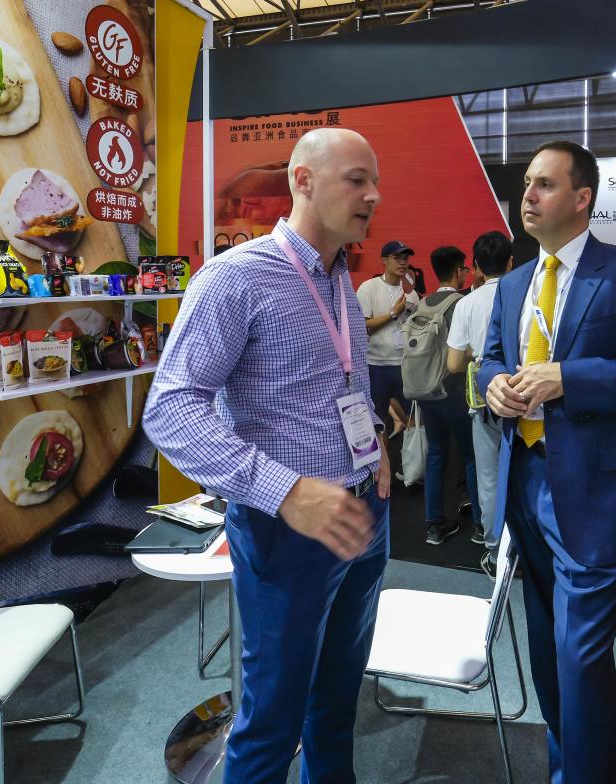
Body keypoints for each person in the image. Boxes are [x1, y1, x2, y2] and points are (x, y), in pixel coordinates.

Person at [143, 127, 392, 783]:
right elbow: (171, 408)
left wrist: (374, 444)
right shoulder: (235, 279)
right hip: (288, 533)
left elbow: (339, 382)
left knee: (336, 706)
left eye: (375, 180)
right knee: (271, 725)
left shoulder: (340, 277)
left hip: (363, 514)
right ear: (303, 180)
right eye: (356, 179)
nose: (375, 194)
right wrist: (284, 490)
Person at [479, 141, 616, 782]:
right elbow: (492, 358)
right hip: (527, 481)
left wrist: (569, 378)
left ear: (582, 198)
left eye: (543, 184)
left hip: (596, 490)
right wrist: (493, 386)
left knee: (579, 654)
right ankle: (565, 765)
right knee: (547, 647)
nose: (528, 196)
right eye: (525, 185)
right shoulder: (515, 281)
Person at [446, 230, 513, 576]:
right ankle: (525, 544)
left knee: (488, 475)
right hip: (524, 395)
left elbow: (454, 364)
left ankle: (492, 547)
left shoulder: (467, 303)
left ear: (475, 267)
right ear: (512, 262)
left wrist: (478, 352)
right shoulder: (522, 293)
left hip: (484, 398)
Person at [416, 245, 479, 545]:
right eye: (465, 268)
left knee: (436, 455)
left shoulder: (423, 303)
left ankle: (434, 526)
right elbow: (465, 351)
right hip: (454, 391)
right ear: (458, 271)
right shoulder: (461, 303)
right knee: (471, 456)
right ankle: (480, 526)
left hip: (425, 390)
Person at [357, 241, 419, 431]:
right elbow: (362, 326)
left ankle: (411, 460)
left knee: (416, 421)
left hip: (405, 365)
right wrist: (393, 314)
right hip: (376, 366)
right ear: (384, 260)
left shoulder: (412, 295)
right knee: (377, 423)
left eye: (405, 258)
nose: (402, 262)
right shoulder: (369, 288)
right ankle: (382, 462)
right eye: (397, 258)